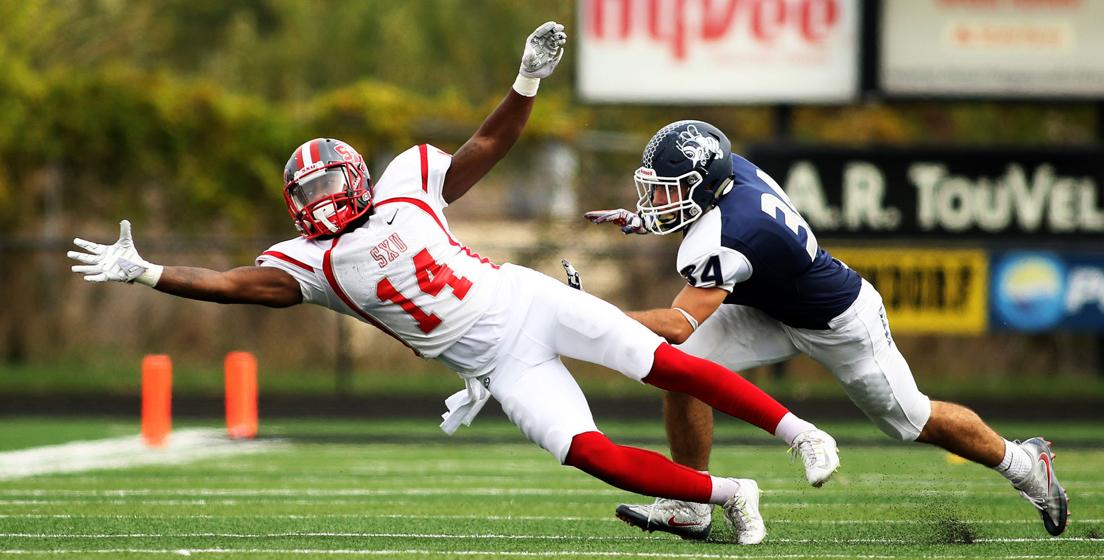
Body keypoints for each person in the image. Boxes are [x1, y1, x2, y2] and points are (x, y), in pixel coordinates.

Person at [66, 25, 841, 546]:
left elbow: (488, 143)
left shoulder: (407, 184)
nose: (320, 201)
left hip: (528, 298)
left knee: (665, 361)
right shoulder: (316, 264)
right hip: (501, 367)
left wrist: (525, 82)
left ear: (359, 177)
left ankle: (802, 433)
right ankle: (730, 493)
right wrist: (150, 272)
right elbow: (239, 285)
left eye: (330, 182)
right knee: (591, 453)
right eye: (308, 193)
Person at [583, 120, 1069, 539]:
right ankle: (691, 503)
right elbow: (700, 215)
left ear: (704, 184)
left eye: (669, 188)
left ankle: (1025, 465)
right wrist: (647, 217)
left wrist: (589, 312)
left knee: (910, 420)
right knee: (681, 372)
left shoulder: (724, 238)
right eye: (656, 188)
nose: (657, 198)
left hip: (838, 321)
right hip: (768, 306)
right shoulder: (733, 173)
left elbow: (679, 324)